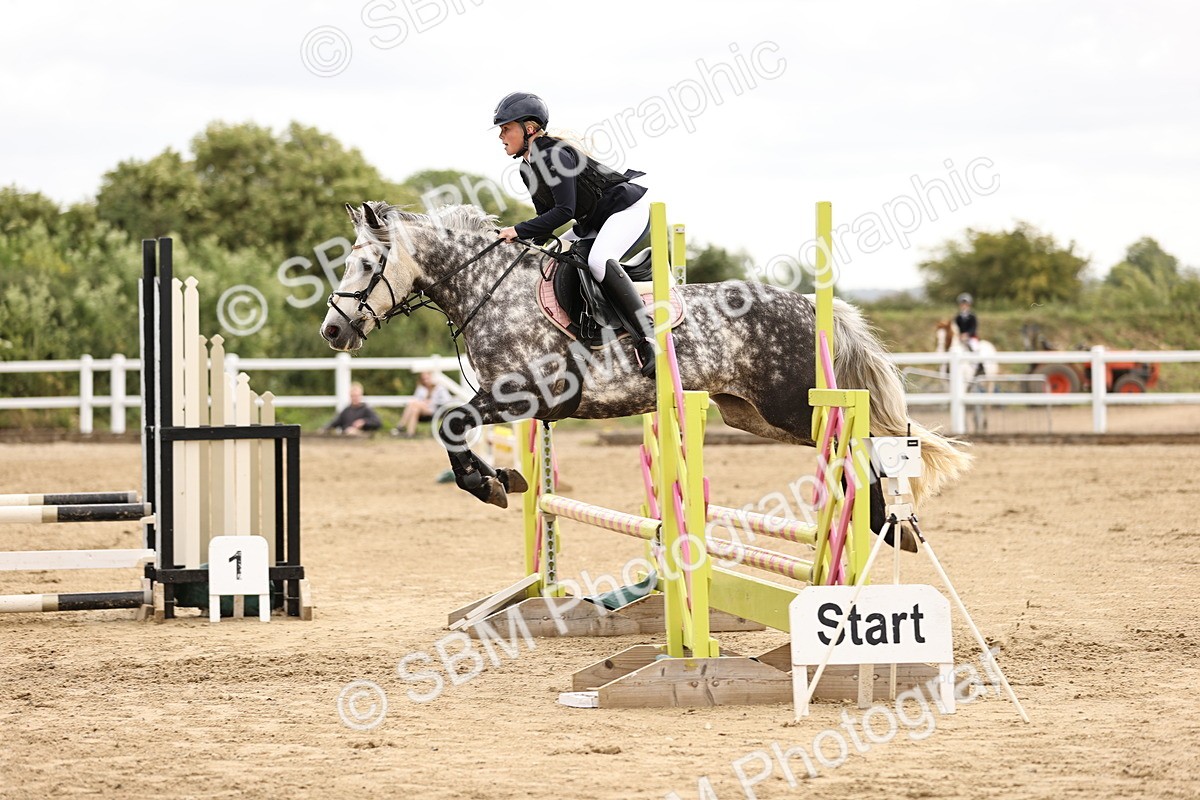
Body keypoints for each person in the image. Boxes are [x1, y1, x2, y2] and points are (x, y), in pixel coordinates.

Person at [492, 91, 657, 377]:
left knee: (598, 260)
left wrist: (516, 230)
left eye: (506, 128)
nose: (501, 136)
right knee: (551, 258)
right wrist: (519, 246)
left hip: (624, 211)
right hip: (593, 220)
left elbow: (565, 211)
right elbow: (546, 219)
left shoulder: (553, 154)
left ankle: (647, 337)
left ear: (528, 128)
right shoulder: (526, 166)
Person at [394, 371, 451, 438]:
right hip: (421, 409)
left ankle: (401, 425)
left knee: (413, 404)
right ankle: (410, 433)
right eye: (424, 379)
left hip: (434, 410)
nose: (426, 381)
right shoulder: (421, 388)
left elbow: (447, 400)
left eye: (427, 378)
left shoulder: (440, 388)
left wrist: (432, 401)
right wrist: (424, 402)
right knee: (415, 408)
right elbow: (416, 399)